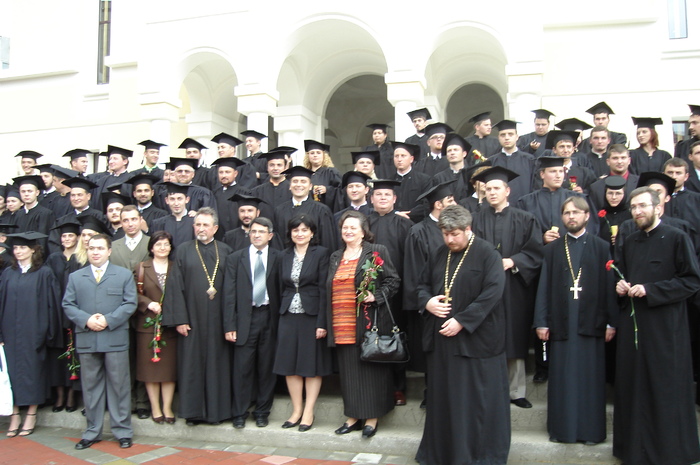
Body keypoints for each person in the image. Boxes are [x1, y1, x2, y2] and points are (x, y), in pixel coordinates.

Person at [415, 205, 509, 465]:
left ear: (468, 229)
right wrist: (427, 302)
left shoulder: (487, 253)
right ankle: (442, 455)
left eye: (455, 234)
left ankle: (476, 457)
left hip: (475, 343)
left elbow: (492, 292)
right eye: (445, 234)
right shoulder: (438, 253)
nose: (449, 240)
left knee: (473, 403)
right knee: (445, 401)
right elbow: (421, 285)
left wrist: (462, 321)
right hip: (443, 343)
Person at [613, 187, 700, 465]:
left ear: (658, 208)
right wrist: (621, 286)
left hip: (666, 331)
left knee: (664, 388)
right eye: (634, 207)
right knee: (633, 387)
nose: (638, 211)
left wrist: (651, 290)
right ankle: (634, 451)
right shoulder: (629, 241)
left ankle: (668, 453)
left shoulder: (677, 237)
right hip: (633, 329)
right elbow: (624, 276)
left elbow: (691, 281)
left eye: (643, 206)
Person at [533, 196, 617, 444]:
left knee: (590, 379)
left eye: (576, 212)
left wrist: (612, 322)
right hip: (561, 323)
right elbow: (543, 287)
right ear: (562, 217)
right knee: (563, 379)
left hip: (593, 323)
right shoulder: (551, 250)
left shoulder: (602, 247)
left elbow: (609, 286)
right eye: (567, 213)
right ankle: (562, 431)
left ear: (587, 216)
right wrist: (541, 321)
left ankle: (591, 432)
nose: (571, 217)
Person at [472, 167, 543, 409]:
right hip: (483, 286)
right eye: (488, 189)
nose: (491, 192)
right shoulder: (474, 218)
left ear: (507, 190)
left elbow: (535, 251)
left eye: (496, 188)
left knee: (513, 336)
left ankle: (516, 391)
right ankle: (490, 389)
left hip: (514, 285)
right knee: (486, 337)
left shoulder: (526, 218)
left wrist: (513, 261)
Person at [327, 210, 399, 438]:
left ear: (363, 231)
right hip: (341, 323)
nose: (348, 231)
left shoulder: (376, 251)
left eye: (352, 228)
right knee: (349, 373)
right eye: (344, 228)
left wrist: (375, 296)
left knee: (371, 372)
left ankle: (372, 418)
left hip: (368, 323)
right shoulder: (336, 256)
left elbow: (393, 280)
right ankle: (353, 416)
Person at [63, 234, 138, 450]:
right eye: (92, 248)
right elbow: (68, 304)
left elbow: (130, 303)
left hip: (114, 337)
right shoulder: (76, 277)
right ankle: (92, 431)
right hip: (88, 338)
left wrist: (108, 320)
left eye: (100, 248)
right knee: (91, 388)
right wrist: (86, 320)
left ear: (109, 251)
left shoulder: (123, 275)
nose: (95, 252)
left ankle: (122, 431)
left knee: (119, 386)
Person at [162, 207, 232, 425]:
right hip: (191, 319)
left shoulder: (227, 251)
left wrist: (230, 322)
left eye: (205, 225)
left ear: (215, 228)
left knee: (218, 365)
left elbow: (232, 289)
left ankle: (217, 413)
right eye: (198, 225)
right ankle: (193, 413)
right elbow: (175, 287)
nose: (201, 229)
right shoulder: (183, 250)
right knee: (191, 365)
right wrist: (180, 319)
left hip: (219, 320)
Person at [272, 215, 331, 431]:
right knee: (290, 365)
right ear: (290, 233)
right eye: (295, 230)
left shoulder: (321, 253)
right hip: (288, 314)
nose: (300, 233)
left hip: (312, 315)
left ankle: (309, 411)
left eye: (304, 230)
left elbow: (325, 289)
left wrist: (322, 322)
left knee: (311, 365)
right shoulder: (283, 255)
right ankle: (296, 410)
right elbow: (279, 286)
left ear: (312, 233)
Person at [0, 232, 62, 438]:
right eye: (16, 248)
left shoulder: (44, 273)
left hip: (34, 331)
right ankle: (15, 414)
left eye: (22, 248)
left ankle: (31, 414)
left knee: (33, 372)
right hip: (9, 333)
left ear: (33, 249)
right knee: (11, 374)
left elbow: (52, 304)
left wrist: (48, 332)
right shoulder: (8, 273)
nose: (18, 251)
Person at [403, 181, 457, 407]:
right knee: (433, 354)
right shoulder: (418, 232)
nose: (455, 204)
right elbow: (414, 273)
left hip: (457, 304)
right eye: (450, 201)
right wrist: (425, 303)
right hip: (432, 306)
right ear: (438, 204)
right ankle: (431, 394)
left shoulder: (458, 230)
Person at [224, 217, 281, 428]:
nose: (256, 235)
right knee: (242, 368)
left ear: (270, 235)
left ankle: (262, 411)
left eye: (261, 231)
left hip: (269, 317)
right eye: (253, 231)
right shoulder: (235, 258)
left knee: (266, 367)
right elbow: (228, 295)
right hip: (244, 319)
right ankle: (239, 412)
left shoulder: (279, 257)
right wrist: (229, 325)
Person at [134, 231, 177, 425]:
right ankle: (155, 407)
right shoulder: (141, 268)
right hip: (147, 325)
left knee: (169, 370)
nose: (162, 248)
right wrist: (147, 303)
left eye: (166, 244)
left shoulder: (176, 268)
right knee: (150, 370)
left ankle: (167, 407)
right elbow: (130, 293)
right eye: (158, 244)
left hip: (169, 326)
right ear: (151, 248)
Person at [272, 166, 337, 252]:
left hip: (315, 261)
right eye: (295, 181)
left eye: (303, 181)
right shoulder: (279, 211)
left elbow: (327, 242)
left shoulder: (322, 210)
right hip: (285, 261)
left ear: (310, 186)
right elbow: (277, 242)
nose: (299, 185)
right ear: (290, 186)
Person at [489, 119, 536, 202]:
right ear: (498, 138)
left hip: (524, 207)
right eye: (503, 135)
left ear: (517, 137)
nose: (506, 138)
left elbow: (534, 186)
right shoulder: (492, 161)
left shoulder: (529, 160)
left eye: (510, 134)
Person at [391, 142, 431, 222]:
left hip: (416, 222)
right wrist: (396, 213)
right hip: (393, 222)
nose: (399, 159)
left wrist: (409, 214)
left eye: (403, 156)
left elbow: (427, 204)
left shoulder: (424, 180)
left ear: (411, 159)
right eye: (396, 156)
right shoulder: (389, 181)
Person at [149, 182, 195, 247]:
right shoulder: (158, 224)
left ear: (187, 199)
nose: (176, 203)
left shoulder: (195, 222)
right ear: (167, 200)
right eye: (172, 199)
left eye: (179, 199)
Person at [303, 139, 341, 210]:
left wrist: (327, 189)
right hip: (307, 210)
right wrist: (311, 191)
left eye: (318, 153)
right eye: (312, 153)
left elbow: (341, 190)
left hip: (326, 211)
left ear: (324, 156)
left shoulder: (331, 172)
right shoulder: (304, 174)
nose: (315, 155)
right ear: (308, 156)